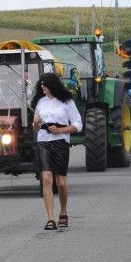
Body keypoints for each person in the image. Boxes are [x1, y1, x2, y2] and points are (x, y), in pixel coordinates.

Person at [31, 72, 82, 230]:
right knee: (46, 178)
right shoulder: (40, 102)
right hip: (43, 142)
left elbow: (78, 125)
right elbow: (35, 128)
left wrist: (60, 130)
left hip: (61, 142)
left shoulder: (67, 102)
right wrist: (36, 123)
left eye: (44, 84)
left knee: (61, 183)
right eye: (41, 84)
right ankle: (50, 219)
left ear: (52, 85)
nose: (42, 87)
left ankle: (63, 212)